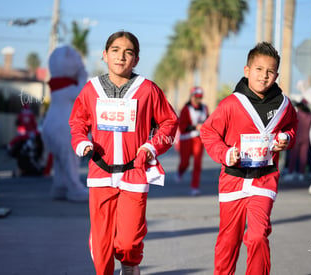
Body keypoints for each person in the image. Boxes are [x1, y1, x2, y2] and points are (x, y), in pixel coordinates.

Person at [69, 31, 178, 275]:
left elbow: (169, 122)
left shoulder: (148, 89)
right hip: (100, 173)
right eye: (115, 50)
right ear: (105, 55)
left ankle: (130, 265)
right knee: (102, 245)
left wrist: (152, 146)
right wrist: (81, 142)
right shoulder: (91, 89)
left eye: (128, 52)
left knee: (128, 241)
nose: (121, 57)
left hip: (134, 174)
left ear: (136, 60)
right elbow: (77, 122)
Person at [200, 42, 298, 275]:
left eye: (270, 71)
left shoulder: (284, 105)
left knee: (257, 236)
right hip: (232, 180)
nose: (264, 76)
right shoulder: (231, 104)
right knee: (228, 241)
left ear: (276, 75)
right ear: (246, 70)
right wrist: (225, 153)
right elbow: (208, 132)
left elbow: (292, 127)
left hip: (264, 180)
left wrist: (286, 137)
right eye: (258, 69)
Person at [41, 45, 89, 202]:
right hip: (64, 128)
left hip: (51, 126)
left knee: (60, 160)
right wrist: (83, 75)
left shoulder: (57, 85)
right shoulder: (67, 87)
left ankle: (59, 186)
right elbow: (82, 94)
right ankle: (74, 187)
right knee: (69, 159)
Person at [176, 86, 209, 196]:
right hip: (186, 139)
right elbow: (182, 126)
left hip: (199, 139)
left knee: (197, 164)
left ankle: (195, 187)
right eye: (196, 97)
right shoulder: (186, 109)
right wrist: (195, 127)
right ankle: (180, 172)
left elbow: (208, 121)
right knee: (185, 162)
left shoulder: (205, 108)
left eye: (200, 97)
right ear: (192, 96)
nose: (198, 99)